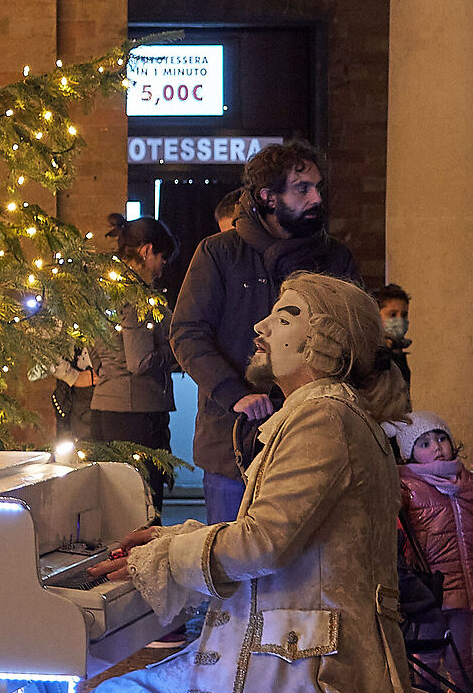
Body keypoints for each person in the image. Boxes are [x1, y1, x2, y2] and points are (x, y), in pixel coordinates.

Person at [0, 275, 455, 693]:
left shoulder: (322, 417)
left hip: (309, 667)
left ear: (326, 342)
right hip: (305, 646)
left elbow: (261, 545)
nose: (261, 328)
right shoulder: (329, 414)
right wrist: (174, 537)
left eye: (285, 317)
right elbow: (278, 535)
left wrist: (160, 555)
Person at [169, 139, 360, 522]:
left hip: (313, 435)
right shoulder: (219, 253)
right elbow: (188, 332)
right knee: (230, 566)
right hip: (234, 440)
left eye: (318, 187)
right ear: (268, 197)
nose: (316, 198)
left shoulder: (335, 257)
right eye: (302, 189)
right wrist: (234, 394)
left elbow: (356, 336)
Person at [57, 215, 178, 503]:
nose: (162, 269)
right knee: (144, 509)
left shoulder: (103, 291)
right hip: (137, 416)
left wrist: (108, 372)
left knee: (114, 509)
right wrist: (176, 349)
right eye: (162, 258)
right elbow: (140, 361)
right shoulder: (135, 296)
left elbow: (94, 346)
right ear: (146, 251)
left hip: (104, 410)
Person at [389, 411, 473, 681]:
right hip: (429, 590)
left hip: (465, 586)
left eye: (441, 438)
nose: (436, 447)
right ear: (409, 453)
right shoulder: (406, 487)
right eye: (424, 443)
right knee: (427, 655)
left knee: (461, 655)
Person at [374, 284, 413, 391]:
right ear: (377, 316)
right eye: (392, 315)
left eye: (404, 315)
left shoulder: (398, 353)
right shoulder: (372, 356)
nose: (400, 320)